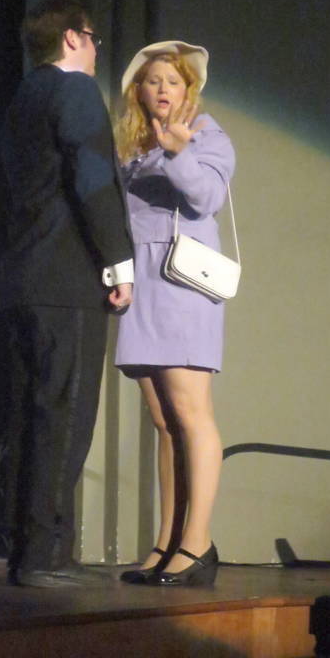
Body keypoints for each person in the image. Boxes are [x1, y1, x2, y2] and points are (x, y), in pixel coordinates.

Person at [0, 0, 134, 588]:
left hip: (23, 277)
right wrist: (119, 261)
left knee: (33, 417)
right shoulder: (74, 90)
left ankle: (29, 548)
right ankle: (44, 555)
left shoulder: (24, 96)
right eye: (94, 38)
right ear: (74, 38)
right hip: (65, 278)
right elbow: (92, 178)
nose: (97, 49)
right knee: (65, 416)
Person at [114, 41, 236, 587]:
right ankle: (167, 542)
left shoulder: (206, 135)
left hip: (182, 282)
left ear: (189, 90)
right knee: (164, 422)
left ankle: (198, 543)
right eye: (153, 81)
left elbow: (207, 199)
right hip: (142, 284)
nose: (162, 89)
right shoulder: (132, 145)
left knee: (191, 415)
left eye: (173, 81)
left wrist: (180, 152)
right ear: (138, 91)